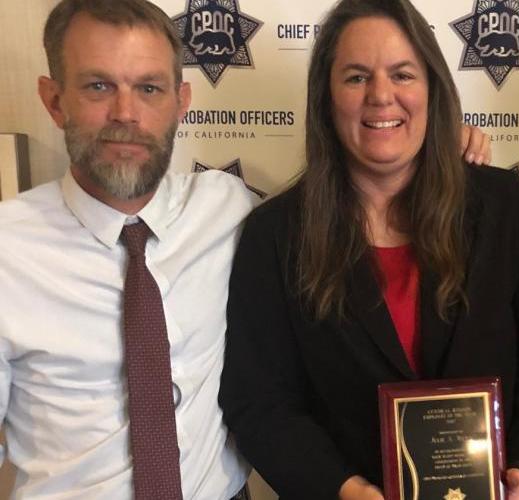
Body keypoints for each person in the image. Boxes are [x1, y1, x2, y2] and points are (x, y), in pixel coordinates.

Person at [0, 0, 491, 498]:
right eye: (98, 86)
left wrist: (440, 141)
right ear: (54, 99)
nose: (126, 113)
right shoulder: (8, 251)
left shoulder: (228, 209)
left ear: (180, 101)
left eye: (149, 88)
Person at [217, 0, 519, 499]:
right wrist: (342, 489)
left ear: (432, 90)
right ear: (326, 96)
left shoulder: (505, 208)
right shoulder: (275, 235)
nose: (381, 97)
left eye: (403, 74)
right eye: (356, 77)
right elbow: (260, 400)